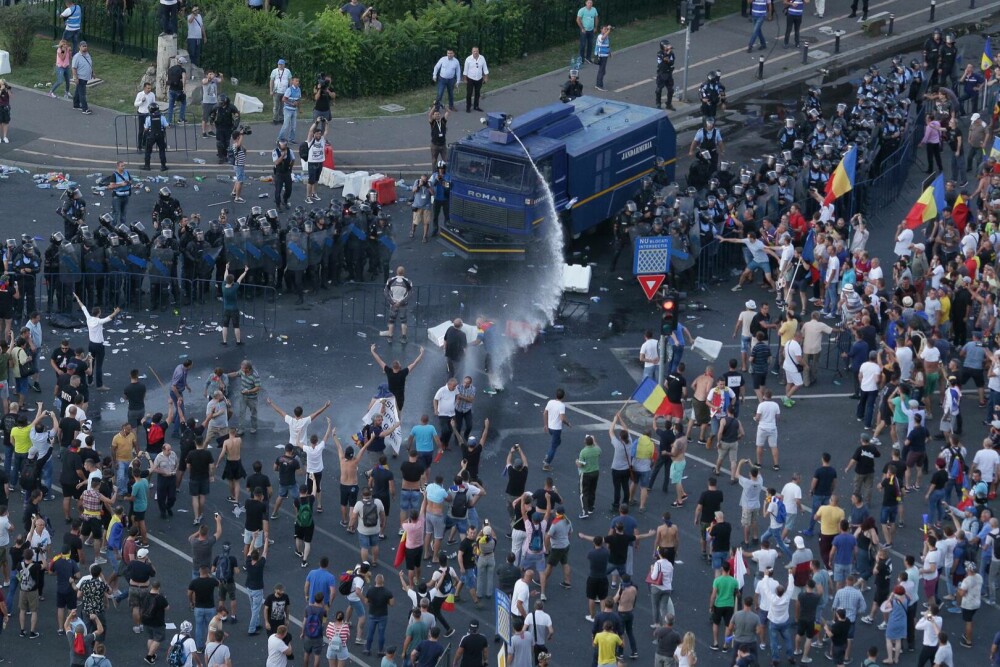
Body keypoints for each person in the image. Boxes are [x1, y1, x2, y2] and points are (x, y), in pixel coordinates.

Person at [303, 120, 328, 205]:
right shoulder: (310, 140)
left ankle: (314, 194)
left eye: (320, 134)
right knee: (311, 181)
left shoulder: (322, 140)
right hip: (312, 163)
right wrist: (316, 123)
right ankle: (308, 197)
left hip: (320, 162)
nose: (319, 135)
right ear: (314, 134)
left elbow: (326, 131)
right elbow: (310, 130)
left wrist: (326, 123)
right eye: (317, 133)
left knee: (316, 180)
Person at [272, 138, 295, 211]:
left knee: (289, 189)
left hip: (287, 172)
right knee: (278, 190)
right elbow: (276, 162)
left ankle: (285, 200)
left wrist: (290, 168)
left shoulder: (290, 151)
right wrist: (282, 156)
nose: (284, 146)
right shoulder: (275, 151)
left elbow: (293, 159)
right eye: (282, 145)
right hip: (279, 173)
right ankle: (278, 204)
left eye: (285, 145)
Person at [71, 42, 94, 115]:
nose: (85, 47)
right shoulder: (77, 56)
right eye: (83, 46)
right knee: (82, 94)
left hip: (86, 77)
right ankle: (85, 109)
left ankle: (76, 105)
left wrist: (93, 72)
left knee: (78, 91)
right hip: (80, 77)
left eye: (86, 46)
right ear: (79, 47)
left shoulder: (87, 55)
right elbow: (74, 68)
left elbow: (89, 64)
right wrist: (75, 78)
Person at [269, 60, 292, 125]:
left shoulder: (287, 71)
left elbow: (290, 80)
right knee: (276, 106)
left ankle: (281, 119)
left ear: (284, 65)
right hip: (276, 91)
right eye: (279, 64)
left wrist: (290, 89)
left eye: (281, 64)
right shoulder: (274, 71)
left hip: (285, 92)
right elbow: (271, 81)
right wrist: (271, 90)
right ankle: (275, 119)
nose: (280, 66)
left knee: (283, 106)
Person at [576, 0, 599, 64]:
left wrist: (595, 27)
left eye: (591, 3)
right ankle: (581, 59)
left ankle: (588, 58)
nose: (590, 4)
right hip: (584, 30)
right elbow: (578, 20)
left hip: (591, 30)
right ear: (586, 3)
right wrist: (582, 28)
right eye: (588, 3)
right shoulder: (582, 10)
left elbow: (596, 18)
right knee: (582, 45)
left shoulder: (594, 9)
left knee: (590, 44)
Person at [594, 25, 612, 91]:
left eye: (606, 29)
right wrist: (609, 30)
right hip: (601, 55)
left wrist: (609, 52)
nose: (606, 30)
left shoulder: (606, 36)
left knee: (603, 70)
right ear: (601, 30)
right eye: (605, 29)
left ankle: (598, 83)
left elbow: (607, 45)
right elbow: (602, 38)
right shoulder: (600, 36)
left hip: (605, 55)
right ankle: (599, 85)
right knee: (601, 70)